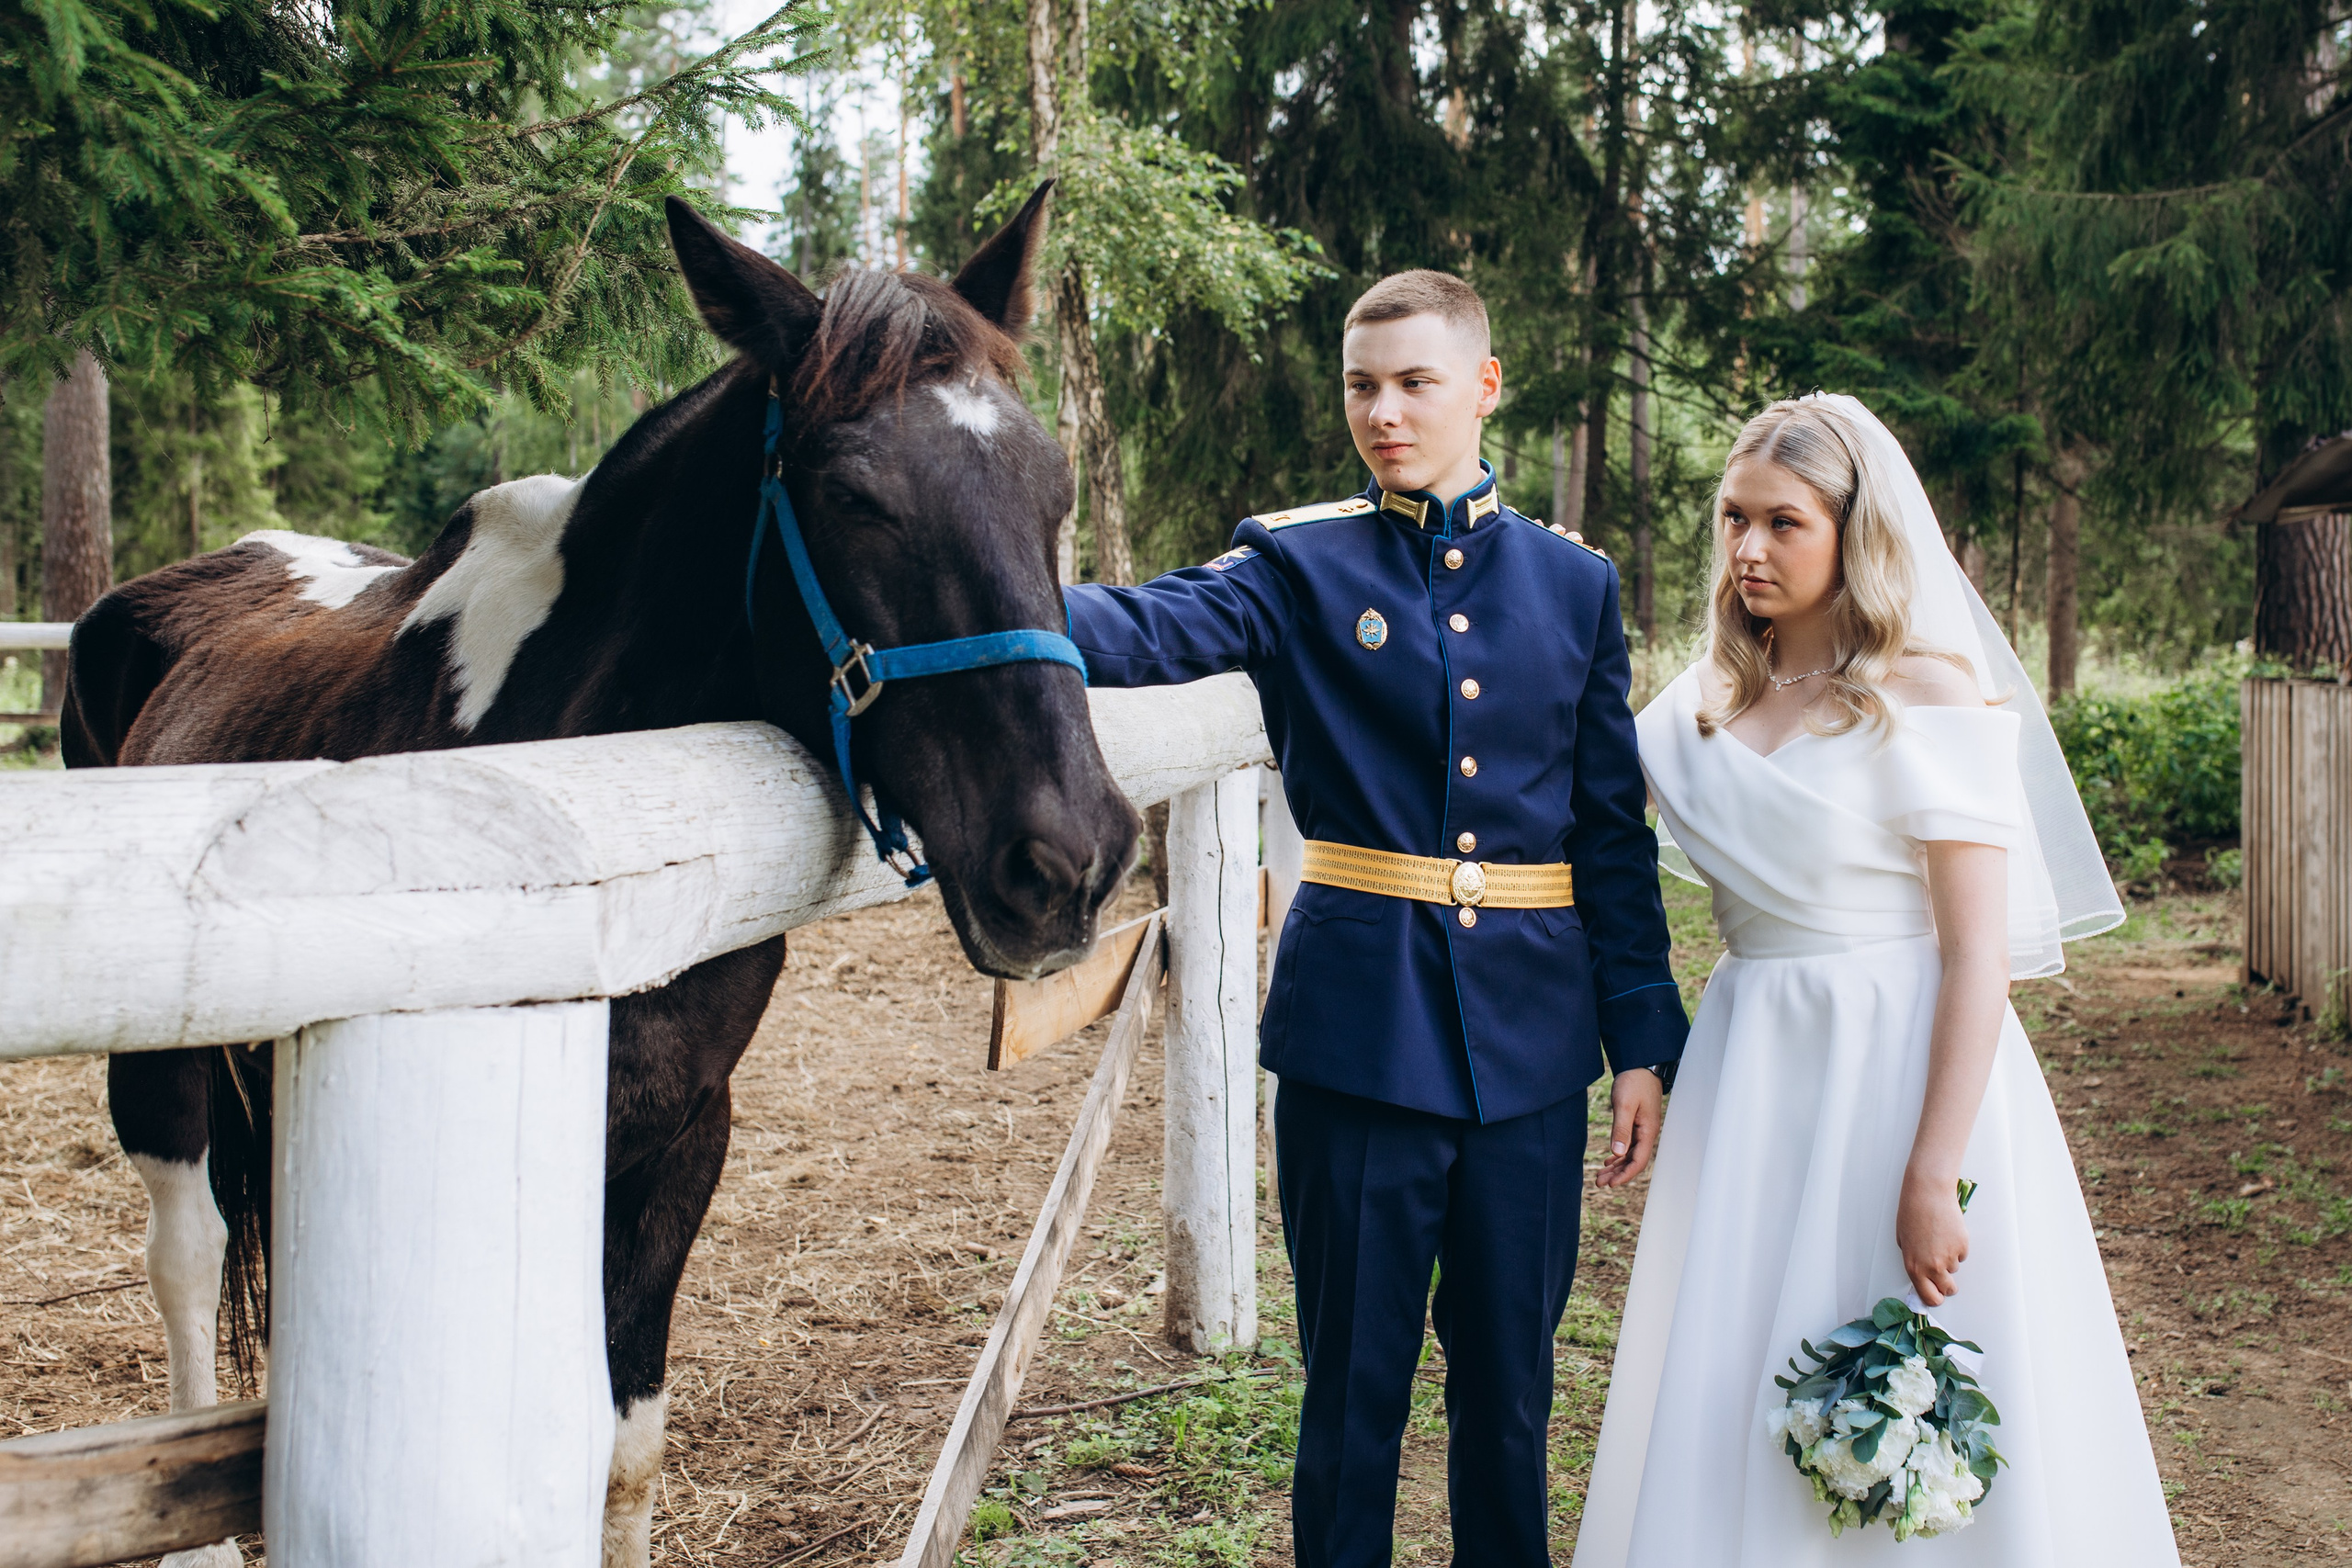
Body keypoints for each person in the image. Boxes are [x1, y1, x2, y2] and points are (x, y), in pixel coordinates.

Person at [1064, 270, 1689, 1566]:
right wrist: (971, 595)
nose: (1385, 411)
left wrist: (1642, 1038)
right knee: (1352, 1395)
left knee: (1511, 1397)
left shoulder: (1575, 585)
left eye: (1415, 381)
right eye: (1362, 384)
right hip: (1359, 1038)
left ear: (1484, 384)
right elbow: (1146, 626)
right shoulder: (1299, 561)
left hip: (1528, 1050)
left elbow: (1609, 835)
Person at [1575, 394, 2180, 1566]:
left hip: (1907, 1067)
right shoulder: (1692, 707)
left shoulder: (1929, 695)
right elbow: (1583, 840)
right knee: (1740, 1342)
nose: (1748, 549)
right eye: (1732, 519)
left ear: (1853, 530)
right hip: (1752, 1067)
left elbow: (1975, 955)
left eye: (1783, 523)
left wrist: (1931, 1168)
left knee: (1909, 1350)